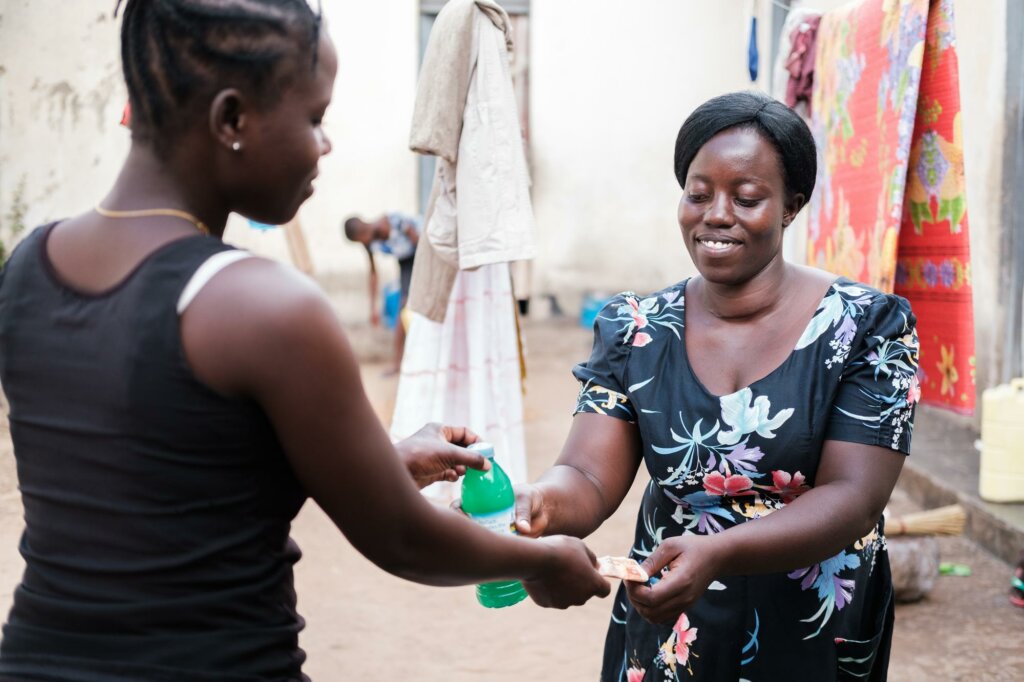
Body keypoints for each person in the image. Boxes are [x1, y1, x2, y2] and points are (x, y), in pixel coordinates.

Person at [0, 2, 609, 680]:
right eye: (314, 118)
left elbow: (165, 464)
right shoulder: (264, 306)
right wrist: (540, 559)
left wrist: (379, 457)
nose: (325, 146)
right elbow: (402, 538)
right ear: (232, 120)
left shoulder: (29, 264)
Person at [511, 92, 920, 681]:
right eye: (698, 194)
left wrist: (721, 550)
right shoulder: (636, 329)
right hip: (675, 612)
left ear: (791, 206)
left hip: (811, 622)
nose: (716, 214)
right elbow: (588, 475)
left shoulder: (867, 327)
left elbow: (854, 497)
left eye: (747, 198)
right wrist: (541, 504)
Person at [343, 212, 420, 371]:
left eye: (361, 238)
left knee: (411, 304)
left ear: (363, 231)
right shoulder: (369, 243)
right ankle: (398, 364)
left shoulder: (392, 222)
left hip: (420, 255)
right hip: (405, 262)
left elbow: (419, 243)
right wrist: (373, 307)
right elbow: (373, 273)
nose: (363, 242)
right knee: (402, 309)